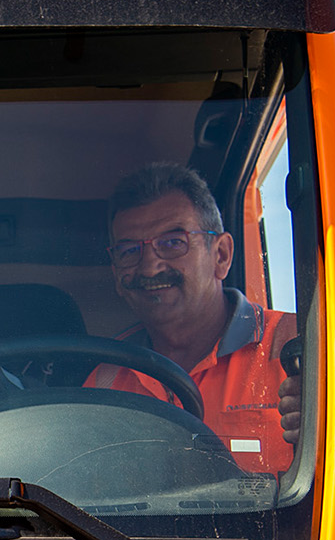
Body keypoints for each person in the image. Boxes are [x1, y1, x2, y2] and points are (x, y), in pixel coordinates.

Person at [88, 163, 300, 472]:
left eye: (173, 243)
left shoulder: (297, 348)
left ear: (221, 255)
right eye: (129, 250)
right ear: (116, 272)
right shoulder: (104, 381)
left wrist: (329, 443)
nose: (150, 267)